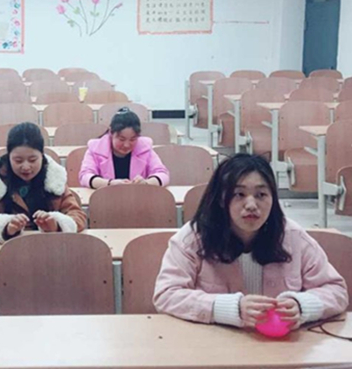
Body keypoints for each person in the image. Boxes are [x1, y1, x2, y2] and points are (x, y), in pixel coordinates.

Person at [153, 154, 348, 329]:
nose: (251, 205)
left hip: (281, 349)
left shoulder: (293, 237)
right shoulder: (192, 239)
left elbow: (336, 290)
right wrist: (228, 308)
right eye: (239, 194)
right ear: (221, 199)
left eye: (261, 195)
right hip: (214, 346)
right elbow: (167, 294)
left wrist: (302, 305)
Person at [0, 122, 87, 243]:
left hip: (49, 245)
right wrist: (6, 228)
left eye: (32, 160)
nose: (26, 167)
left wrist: (56, 225)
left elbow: (77, 215)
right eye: (18, 161)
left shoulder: (54, 180)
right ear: (9, 157)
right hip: (10, 247)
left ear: (42, 156)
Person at [78, 107, 169, 188]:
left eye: (133, 139)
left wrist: (146, 183)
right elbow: (85, 176)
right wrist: (109, 184)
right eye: (121, 139)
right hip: (105, 198)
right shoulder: (96, 149)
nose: (126, 145)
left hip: (138, 198)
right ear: (111, 133)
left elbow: (163, 174)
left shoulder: (145, 148)